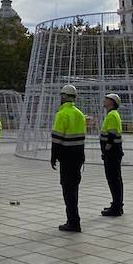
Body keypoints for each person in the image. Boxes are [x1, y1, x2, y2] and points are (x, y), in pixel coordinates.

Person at [50, 84, 86, 232]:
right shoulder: (79, 114)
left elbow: (57, 138)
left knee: (67, 189)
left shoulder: (62, 114)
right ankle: (74, 219)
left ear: (64, 97)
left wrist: (53, 157)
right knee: (74, 188)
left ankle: (73, 221)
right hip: (78, 156)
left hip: (66, 157)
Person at [99, 92, 124, 217]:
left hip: (112, 153)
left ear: (112, 102)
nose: (104, 100)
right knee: (115, 179)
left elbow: (112, 136)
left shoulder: (112, 115)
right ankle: (116, 204)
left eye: (107, 99)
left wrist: (106, 151)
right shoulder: (111, 114)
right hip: (113, 153)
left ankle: (117, 207)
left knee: (114, 179)